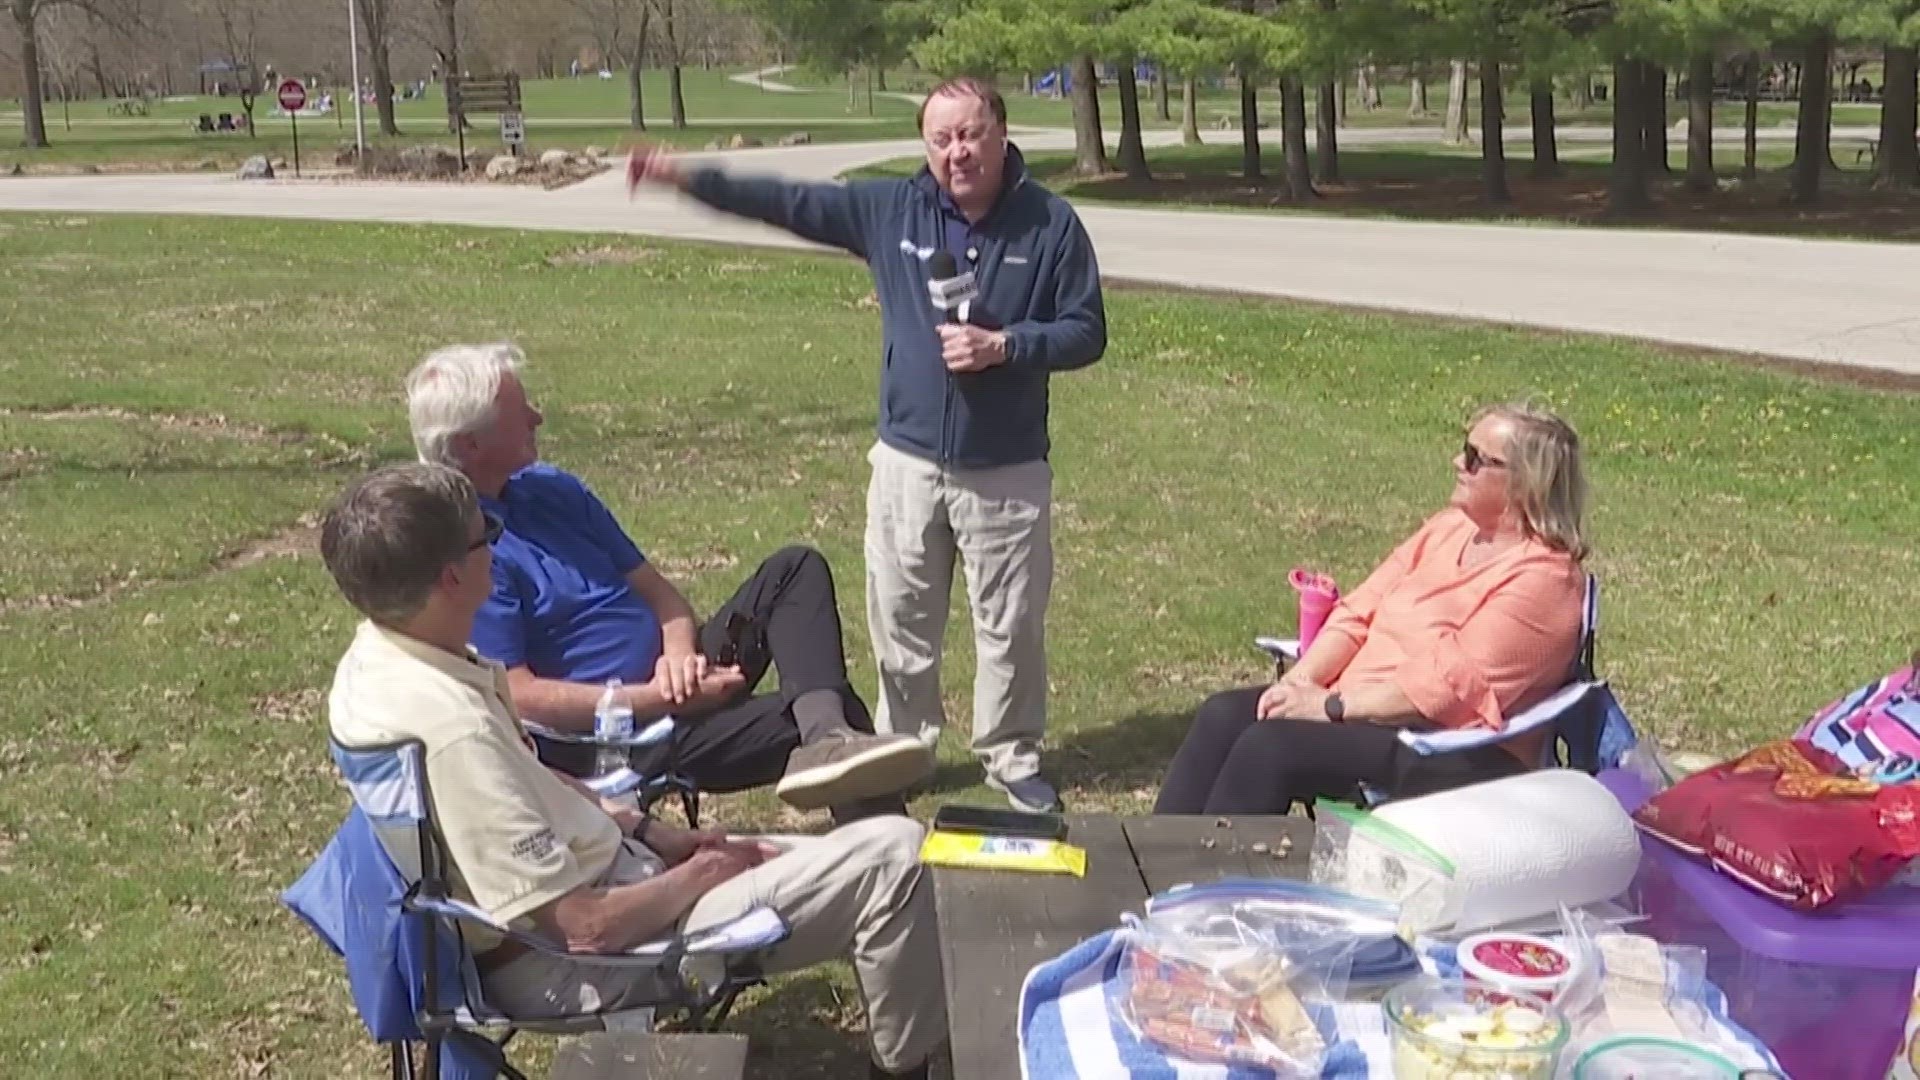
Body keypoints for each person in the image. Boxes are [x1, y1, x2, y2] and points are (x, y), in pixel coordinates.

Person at [321, 463, 945, 1080]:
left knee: (860, 851)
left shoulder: (382, 661)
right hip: (598, 956)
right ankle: (904, 1070)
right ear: (453, 577)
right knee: (895, 857)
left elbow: (531, 778)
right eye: (485, 530)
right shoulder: (453, 731)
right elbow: (585, 930)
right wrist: (702, 872)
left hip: (622, 876)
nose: (497, 537)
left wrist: (652, 832)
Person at [626, 76, 1107, 813]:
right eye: (941, 139)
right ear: (925, 146)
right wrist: (685, 178)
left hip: (1004, 470)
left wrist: (1006, 345)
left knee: (1009, 628)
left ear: (1001, 133)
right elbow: (787, 203)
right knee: (902, 618)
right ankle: (906, 747)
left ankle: (1011, 757)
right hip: (908, 463)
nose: (958, 152)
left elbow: (1086, 331)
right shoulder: (891, 211)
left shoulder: (1051, 225)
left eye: (971, 134)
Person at [405, 343, 933, 817]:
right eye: (521, 414)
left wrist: (679, 656)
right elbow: (520, 697)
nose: (539, 417)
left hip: (675, 679)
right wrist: (662, 699)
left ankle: (829, 741)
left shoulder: (550, 489)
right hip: (627, 733)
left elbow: (661, 595)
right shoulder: (470, 551)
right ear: (472, 445)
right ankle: (888, 865)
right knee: (826, 703)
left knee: (794, 569)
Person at [1155, 403, 1592, 815]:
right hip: (1368, 713)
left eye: (1476, 458)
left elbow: (1446, 692)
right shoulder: (1450, 529)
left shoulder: (1543, 581)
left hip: (1450, 746)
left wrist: (1329, 707)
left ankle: (1212, 885)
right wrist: (1300, 682)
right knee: (1225, 714)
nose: (1458, 463)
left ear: (1525, 482)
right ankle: (1155, 866)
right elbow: (1358, 611)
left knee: (1271, 746)